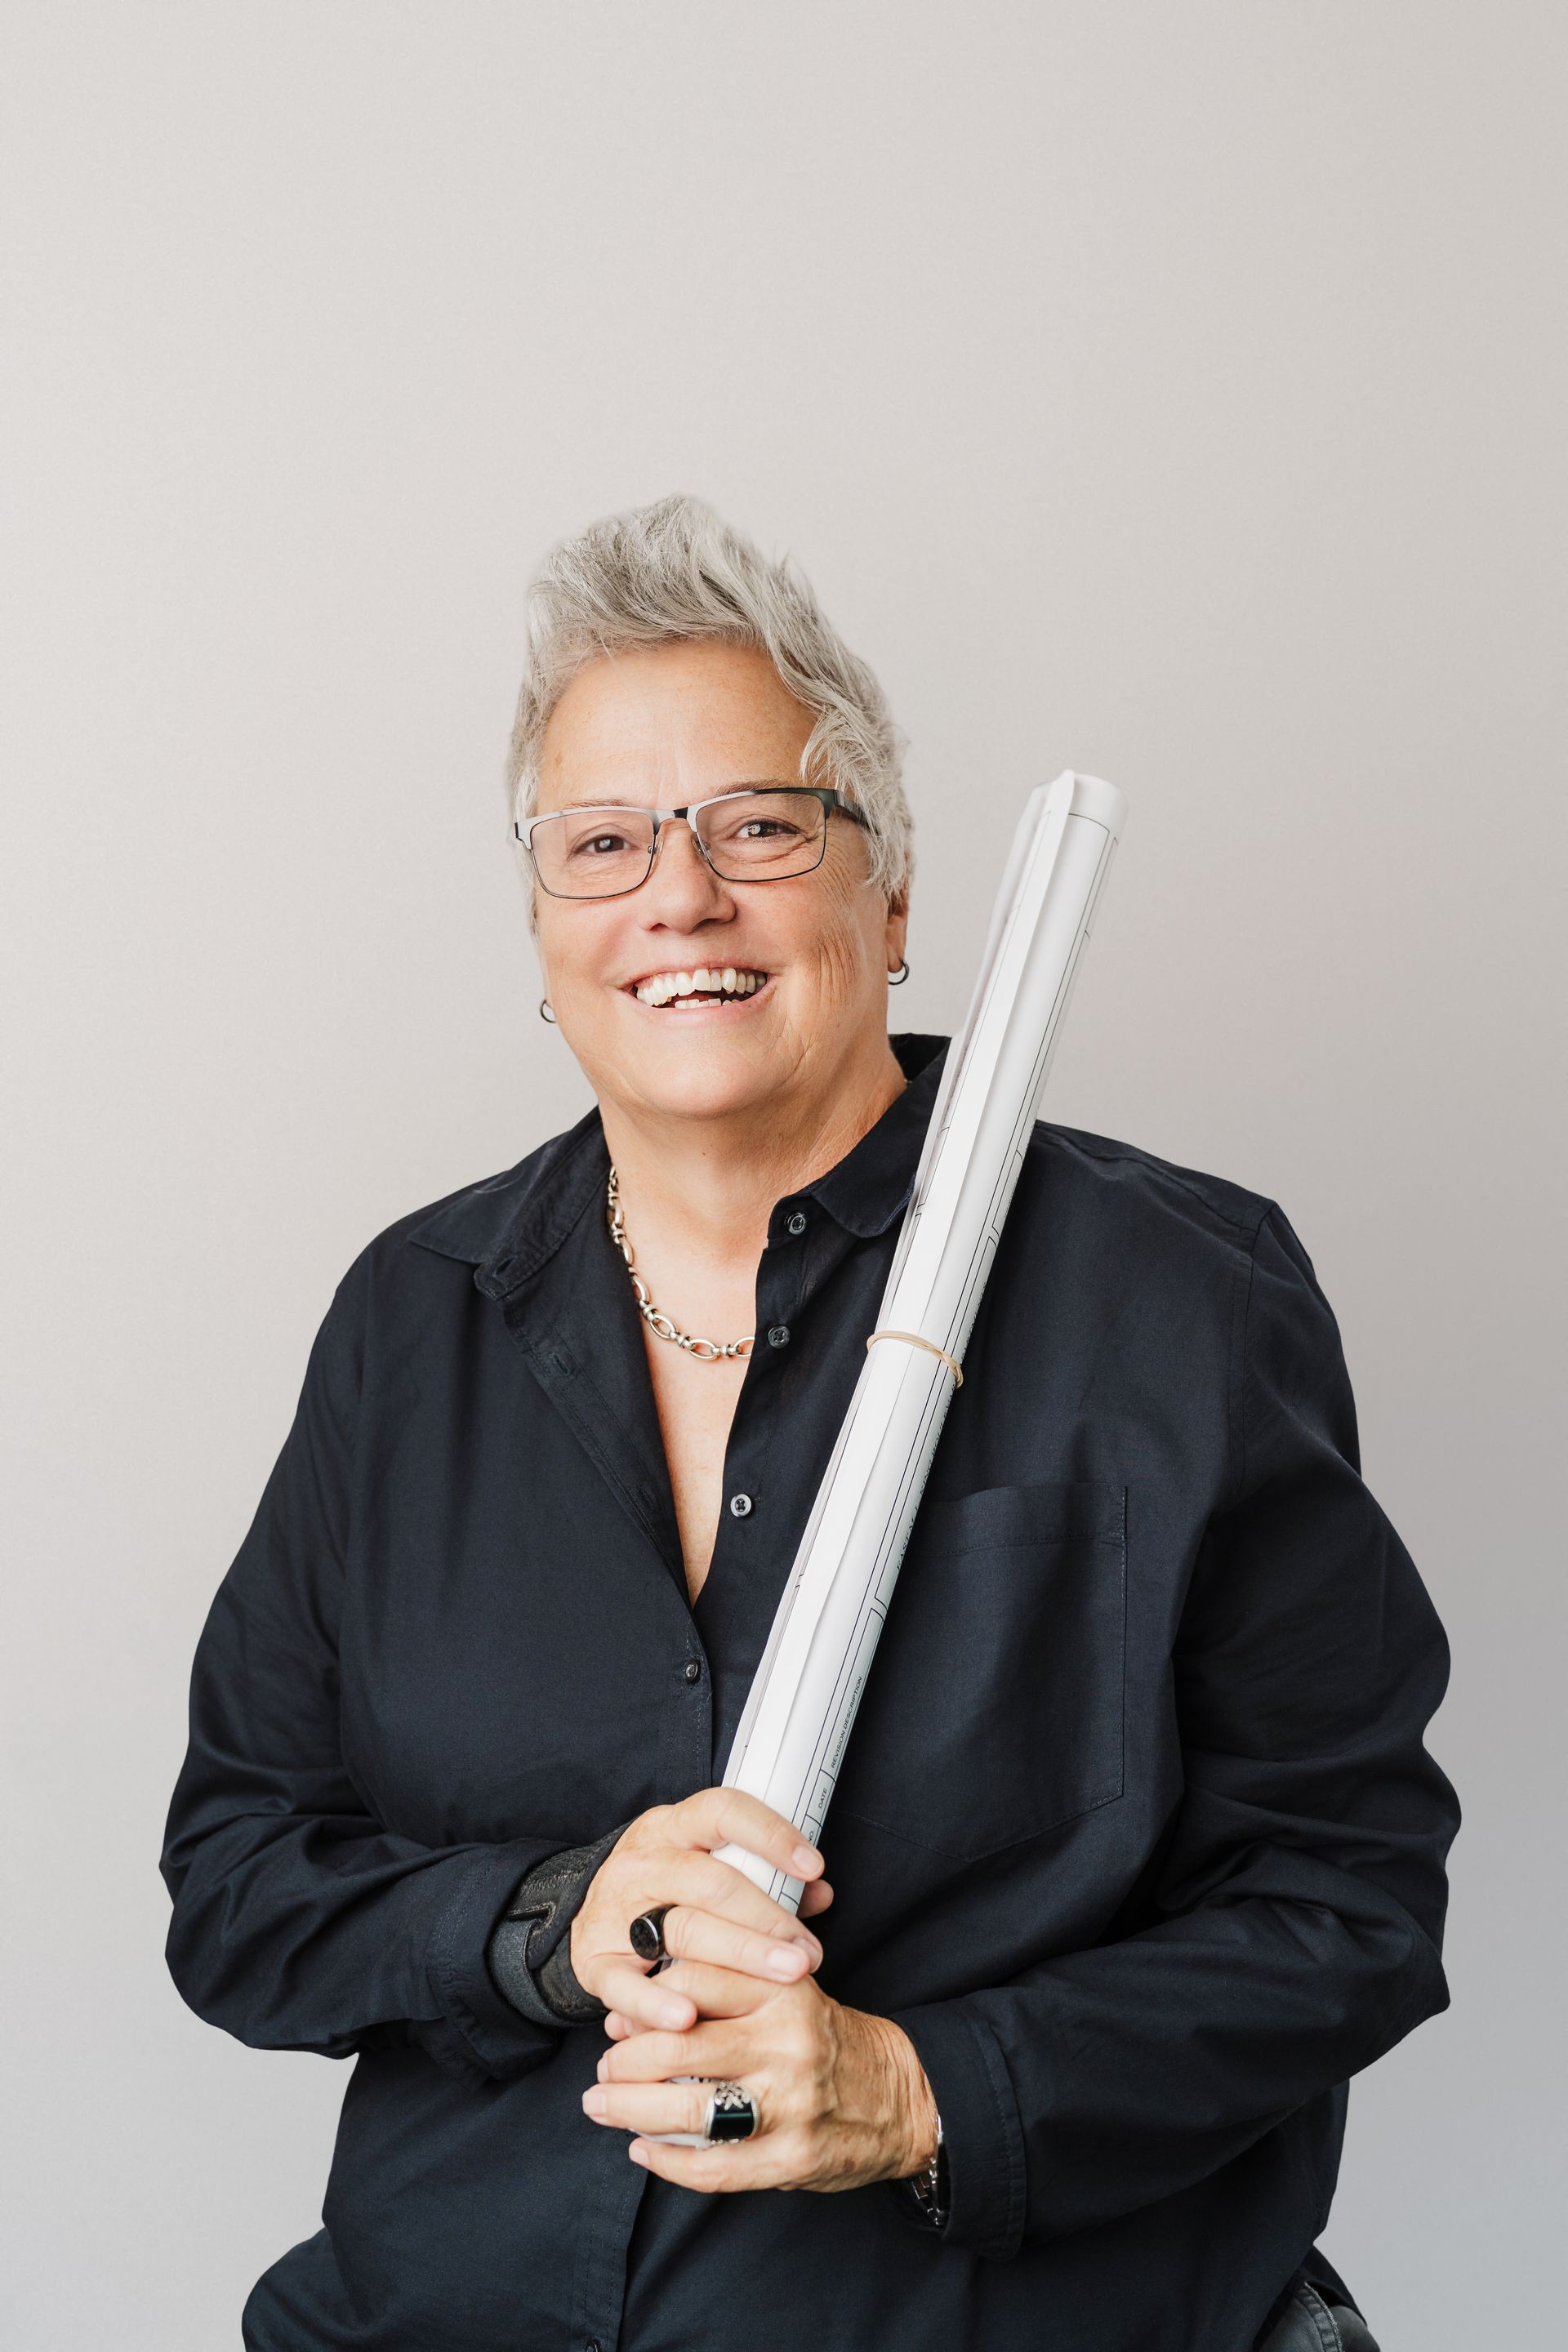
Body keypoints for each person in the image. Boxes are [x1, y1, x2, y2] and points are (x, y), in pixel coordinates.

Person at [161, 495, 1457, 2352]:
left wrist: (923, 2092)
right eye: (603, 845)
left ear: (896, 895)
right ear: (545, 931)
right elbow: (241, 1885)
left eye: (760, 826)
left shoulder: (1177, 1296)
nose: (678, 897)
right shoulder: (411, 1322)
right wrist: (551, 1920)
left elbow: (1346, 1904)